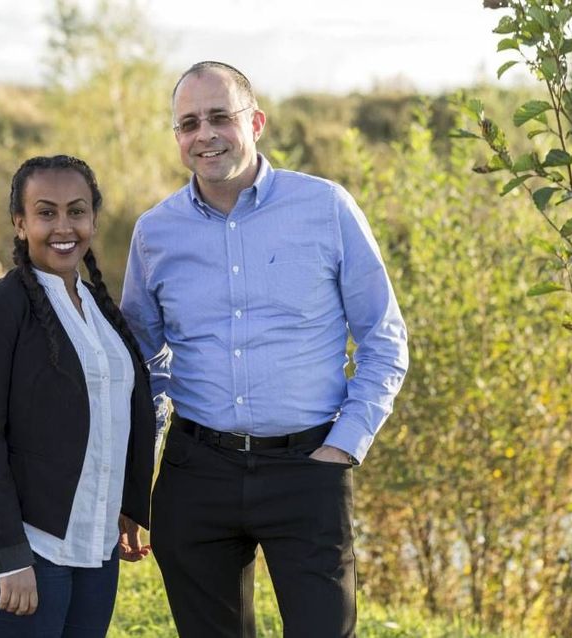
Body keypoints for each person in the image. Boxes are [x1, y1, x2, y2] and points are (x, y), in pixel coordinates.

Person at [119, 61, 409, 637]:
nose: (205, 134)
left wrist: (345, 446)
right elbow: (141, 368)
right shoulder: (155, 233)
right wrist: (134, 483)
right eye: (189, 123)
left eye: (220, 117)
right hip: (196, 471)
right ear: (177, 136)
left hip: (308, 468)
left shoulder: (326, 208)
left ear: (256, 122)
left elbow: (383, 337)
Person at [0, 155, 155, 637]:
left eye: (76, 211)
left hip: (94, 545)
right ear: (20, 224)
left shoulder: (105, 315)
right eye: (46, 213)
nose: (63, 226)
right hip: (24, 546)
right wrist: (8, 558)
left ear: (93, 219)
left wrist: (128, 506)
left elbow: (118, 416)